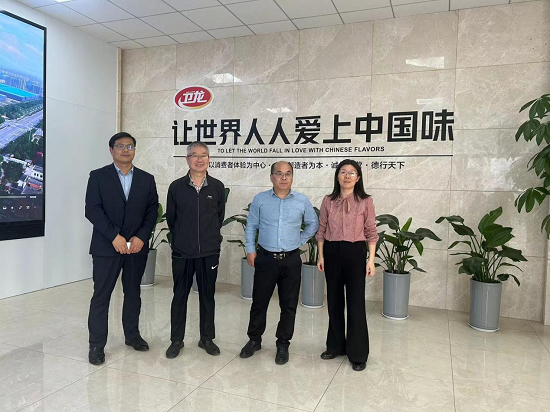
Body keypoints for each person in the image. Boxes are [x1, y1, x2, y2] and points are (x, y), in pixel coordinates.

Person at [85, 132, 159, 365]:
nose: (126, 150)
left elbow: (152, 211)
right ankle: (97, 345)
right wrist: (113, 236)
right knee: (101, 295)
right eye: (120, 146)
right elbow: (92, 209)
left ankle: (132, 335)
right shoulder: (98, 176)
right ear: (111, 150)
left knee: (133, 292)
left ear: (134, 150)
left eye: (130, 146)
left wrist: (141, 237)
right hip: (107, 247)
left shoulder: (147, 179)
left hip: (136, 247)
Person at [239, 161, 319, 365]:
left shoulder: (301, 200)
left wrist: (298, 241)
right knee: (259, 302)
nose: (284, 177)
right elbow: (252, 226)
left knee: (289, 305)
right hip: (266, 258)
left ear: (292, 177)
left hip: (291, 260)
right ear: (271, 177)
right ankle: (254, 340)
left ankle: (283, 344)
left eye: (288, 174)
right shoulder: (261, 199)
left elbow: (313, 224)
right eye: (279, 173)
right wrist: (250, 249)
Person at [316, 159, 378, 372]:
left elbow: (371, 232)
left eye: (352, 173)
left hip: (355, 252)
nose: (347, 176)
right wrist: (321, 256)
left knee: (355, 302)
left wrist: (371, 260)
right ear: (337, 176)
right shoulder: (328, 200)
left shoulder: (365, 201)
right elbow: (321, 230)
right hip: (332, 252)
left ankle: (358, 353)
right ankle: (335, 346)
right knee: (333, 300)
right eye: (343, 172)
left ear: (358, 178)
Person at [165, 142, 226, 359]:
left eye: (204, 155)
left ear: (209, 159)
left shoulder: (217, 187)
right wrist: (183, 239)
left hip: (209, 251)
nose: (199, 159)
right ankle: (176, 340)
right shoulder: (176, 187)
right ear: (187, 159)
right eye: (194, 155)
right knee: (179, 295)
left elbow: (218, 217)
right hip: (182, 252)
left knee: (207, 296)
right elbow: (172, 219)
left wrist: (209, 239)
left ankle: (206, 338)